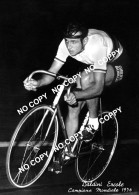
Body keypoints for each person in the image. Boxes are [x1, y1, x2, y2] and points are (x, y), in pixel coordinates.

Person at [24, 22, 128, 173]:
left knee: (86, 81)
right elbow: (51, 73)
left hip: (116, 62)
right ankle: (67, 151)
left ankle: (93, 123)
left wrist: (77, 94)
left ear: (84, 41)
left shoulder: (97, 44)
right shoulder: (65, 44)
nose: (69, 46)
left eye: (73, 42)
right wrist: (37, 82)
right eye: (67, 42)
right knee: (72, 106)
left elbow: (97, 88)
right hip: (92, 64)